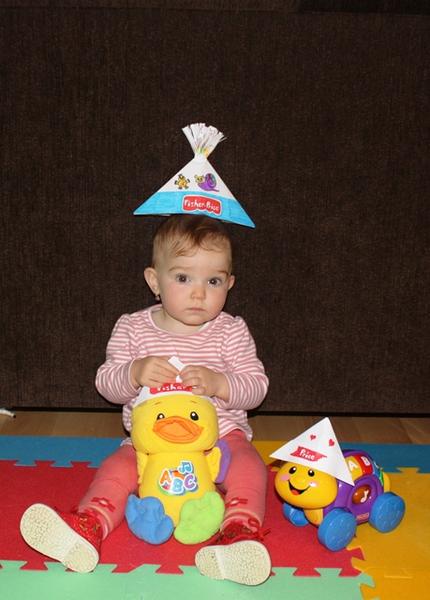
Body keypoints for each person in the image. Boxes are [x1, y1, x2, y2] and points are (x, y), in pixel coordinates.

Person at [20, 214, 271, 585]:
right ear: (155, 281)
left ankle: (239, 532)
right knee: (115, 470)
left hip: (219, 440)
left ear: (229, 284)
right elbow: (106, 383)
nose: (199, 293)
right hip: (148, 446)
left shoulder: (230, 331)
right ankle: (89, 524)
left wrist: (221, 383)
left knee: (250, 466)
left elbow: (257, 386)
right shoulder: (133, 328)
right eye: (183, 278)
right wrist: (134, 373)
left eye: (213, 281)